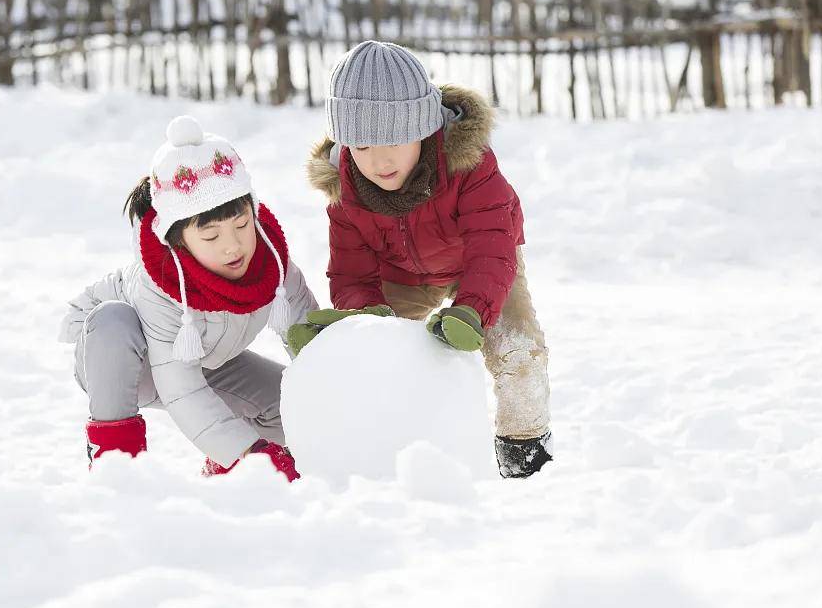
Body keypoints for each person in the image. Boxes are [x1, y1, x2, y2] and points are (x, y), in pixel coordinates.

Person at [293, 40, 552, 478]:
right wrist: (362, 321)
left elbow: (492, 246)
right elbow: (352, 269)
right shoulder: (346, 188)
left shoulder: (469, 164)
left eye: (394, 138)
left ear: (425, 126)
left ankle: (523, 453)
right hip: (404, 276)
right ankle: (392, 449)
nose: (379, 159)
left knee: (518, 348)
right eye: (360, 145)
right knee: (376, 354)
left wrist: (473, 310)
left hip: (481, 262)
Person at [59, 115, 317, 480]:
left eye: (242, 225)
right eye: (211, 237)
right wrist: (245, 453)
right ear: (177, 240)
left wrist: (336, 395)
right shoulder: (159, 284)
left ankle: (223, 472)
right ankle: (116, 467)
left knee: (294, 408)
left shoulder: (272, 264)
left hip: (209, 357)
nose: (233, 246)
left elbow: (309, 341)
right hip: (129, 362)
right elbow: (184, 392)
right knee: (113, 320)